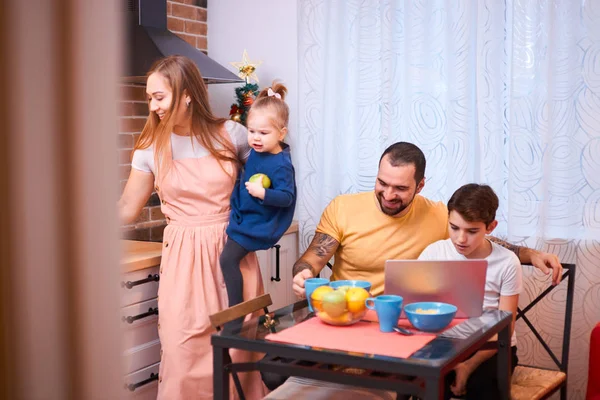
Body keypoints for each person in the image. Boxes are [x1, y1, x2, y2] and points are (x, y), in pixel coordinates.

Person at [118, 55, 266, 400]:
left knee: (237, 353)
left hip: (233, 254)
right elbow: (127, 207)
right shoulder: (150, 147)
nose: (153, 106)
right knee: (183, 352)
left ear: (186, 94)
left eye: (159, 97)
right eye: (149, 98)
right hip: (183, 259)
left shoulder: (233, 134)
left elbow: (268, 179)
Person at [292, 142, 562, 298]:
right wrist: (303, 274)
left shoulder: (435, 213)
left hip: (401, 323)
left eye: (400, 188)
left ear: (420, 186)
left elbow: (477, 236)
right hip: (347, 314)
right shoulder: (343, 207)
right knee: (275, 372)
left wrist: (529, 253)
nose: (388, 195)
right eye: (382, 183)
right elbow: (311, 259)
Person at [418, 183, 521, 400]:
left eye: (472, 231)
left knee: (482, 389)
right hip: (444, 346)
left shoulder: (507, 262)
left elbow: (506, 328)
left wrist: (468, 365)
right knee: (426, 386)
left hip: (492, 347)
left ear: (490, 227)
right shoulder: (434, 253)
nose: (461, 239)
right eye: (454, 228)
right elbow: (418, 308)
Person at [220, 82, 296, 316]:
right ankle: (259, 314)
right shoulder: (256, 152)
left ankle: (236, 314)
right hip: (245, 216)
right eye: (251, 131)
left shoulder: (281, 164)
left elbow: (286, 197)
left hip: (259, 225)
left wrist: (263, 193)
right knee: (230, 260)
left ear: (281, 133)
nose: (256, 138)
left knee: (227, 260)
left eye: (264, 133)